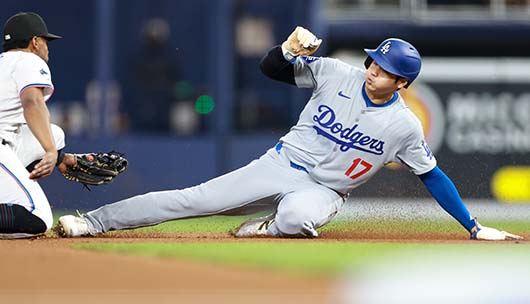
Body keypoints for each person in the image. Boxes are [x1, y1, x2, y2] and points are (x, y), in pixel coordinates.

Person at [57, 26, 522, 241]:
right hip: (279, 163)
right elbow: (271, 69)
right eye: (374, 62)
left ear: (403, 84)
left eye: (386, 71)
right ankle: (94, 222)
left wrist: (474, 226)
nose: (374, 71)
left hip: (326, 190)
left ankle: (268, 228)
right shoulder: (338, 72)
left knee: (299, 220)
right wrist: (285, 49)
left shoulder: (404, 125)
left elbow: (433, 177)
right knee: (191, 200)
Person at [0, 12, 125, 239]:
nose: (48, 48)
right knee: (38, 218)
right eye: (46, 41)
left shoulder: (5, 63)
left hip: (6, 144)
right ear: (35, 42)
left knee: (54, 134)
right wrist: (49, 151)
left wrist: (60, 157)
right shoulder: (29, 60)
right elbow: (32, 101)